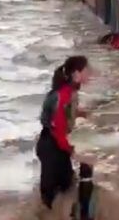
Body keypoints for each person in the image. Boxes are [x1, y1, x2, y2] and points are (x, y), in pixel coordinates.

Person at [36, 55, 90, 211]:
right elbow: (58, 129)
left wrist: (80, 113)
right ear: (76, 74)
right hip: (51, 146)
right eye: (86, 70)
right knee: (50, 200)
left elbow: (64, 114)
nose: (89, 74)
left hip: (55, 145)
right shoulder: (64, 95)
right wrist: (73, 153)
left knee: (67, 186)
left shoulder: (70, 92)